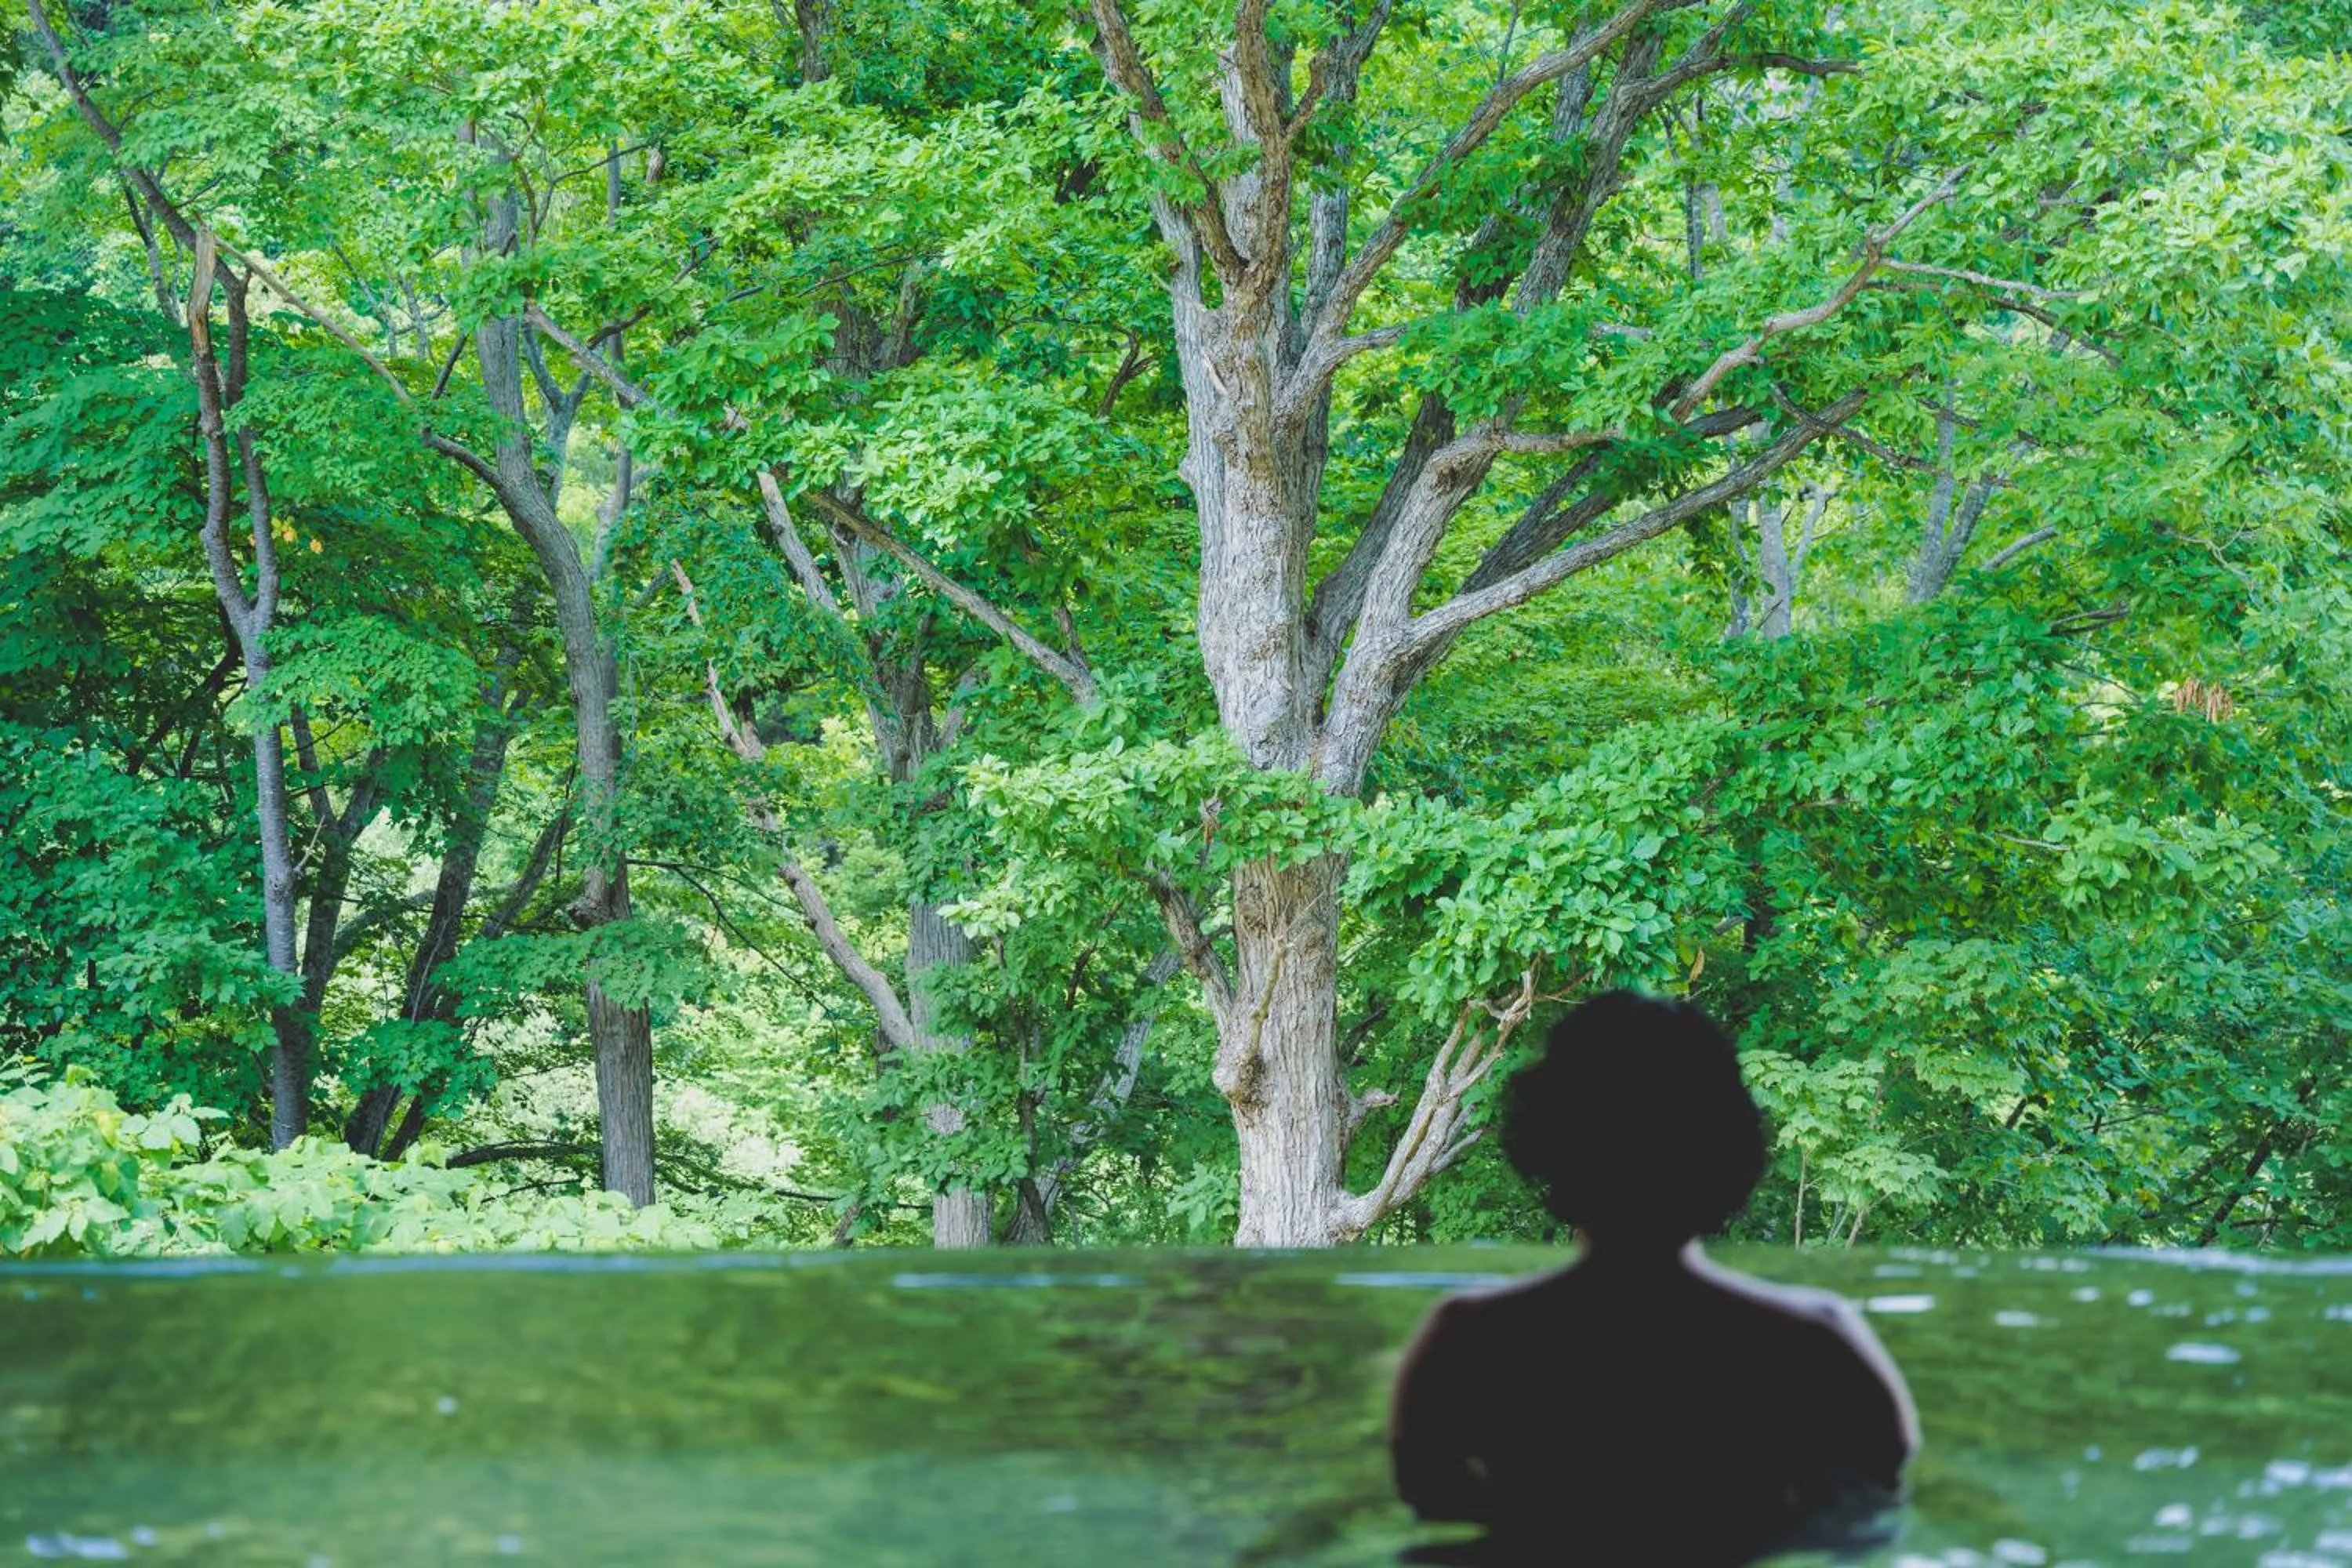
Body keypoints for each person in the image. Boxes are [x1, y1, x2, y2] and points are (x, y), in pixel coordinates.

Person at [1389, 991, 1918, 1566]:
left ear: (1545, 1141)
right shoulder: (1817, 1340)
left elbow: (1430, 1500)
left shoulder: (1469, 1338)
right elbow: (1872, 1516)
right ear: (1729, 1147)